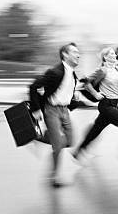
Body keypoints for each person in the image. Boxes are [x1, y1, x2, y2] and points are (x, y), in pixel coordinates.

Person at [73, 46, 118, 166]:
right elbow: (86, 83)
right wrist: (95, 94)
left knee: (96, 130)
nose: (113, 55)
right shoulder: (102, 70)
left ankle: (78, 151)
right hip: (106, 105)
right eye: (110, 54)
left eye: (113, 54)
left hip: (116, 103)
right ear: (105, 57)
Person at [29, 42, 82, 187]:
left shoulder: (73, 74)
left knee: (70, 141)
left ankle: (38, 137)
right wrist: (36, 109)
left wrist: (76, 100)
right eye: (75, 52)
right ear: (65, 54)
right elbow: (33, 86)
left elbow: (67, 95)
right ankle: (54, 178)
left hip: (64, 111)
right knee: (58, 146)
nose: (78, 55)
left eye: (78, 52)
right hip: (51, 110)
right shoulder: (54, 72)